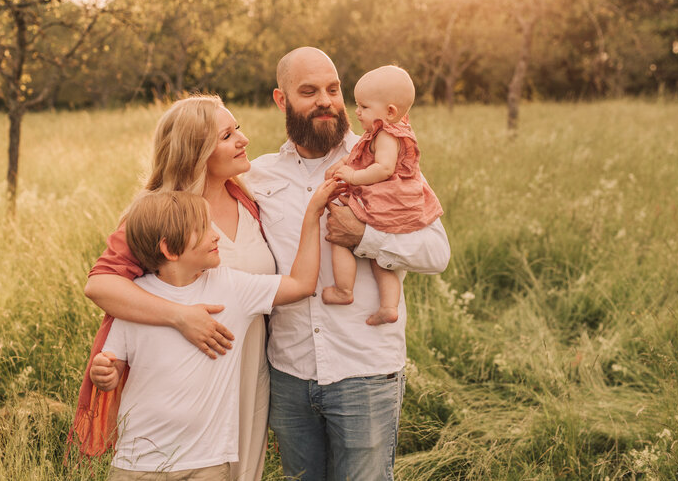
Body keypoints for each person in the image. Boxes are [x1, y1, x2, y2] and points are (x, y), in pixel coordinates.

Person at [243, 47, 450, 480]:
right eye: (309, 91)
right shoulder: (258, 177)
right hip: (289, 373)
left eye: (333, 89)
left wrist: (365, 238)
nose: (326, 101)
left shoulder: (384, 160)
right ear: (281, 100)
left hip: (365, 374)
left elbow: (437, 252)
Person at [69, 95, 279, 481]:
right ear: (195, 153)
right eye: (227, 135)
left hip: (248, 371)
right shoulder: (161, 214)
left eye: (238, 128)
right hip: (183, 387)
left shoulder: (250, 200)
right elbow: (100, 285)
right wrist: (181, 317)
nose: (243, 139)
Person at [88, 184, 335, 479]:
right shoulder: (135, 300)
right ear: (169, 249)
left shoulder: (232, 287)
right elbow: (113, 365)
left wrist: (312, 214)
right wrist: (104, 373)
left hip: (207, 462)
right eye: (204, 229)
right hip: (137, 463)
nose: (216, 235)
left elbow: (301, 284)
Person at [322, 65, 443, 326]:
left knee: (340, 236)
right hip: (398, 206)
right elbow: (361, 155)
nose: (357, 112)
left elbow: (383, 168)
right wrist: (344, 162)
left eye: (364, 107)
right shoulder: (388, 131)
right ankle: (388, 306)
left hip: (384, 203)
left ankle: (344, 290)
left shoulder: (387, 134)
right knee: (383, 258)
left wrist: (352, 176)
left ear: (390, 112)